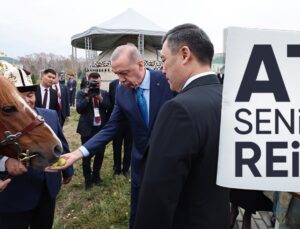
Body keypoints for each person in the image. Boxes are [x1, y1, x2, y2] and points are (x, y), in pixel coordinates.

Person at [49, 44, 174, 228]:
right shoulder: (123, 92)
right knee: (139, 215)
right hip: (141, 165)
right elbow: (111, 127)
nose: (121, 80)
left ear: (140, 65)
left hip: (169, 164)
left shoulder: (167, 81)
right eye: (117, 74)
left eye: (124, 73)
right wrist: (77, 154)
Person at [133, 23, 230, 229]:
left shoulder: (179, 109)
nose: (162, 68)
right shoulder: (228, 99)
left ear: (185, 54)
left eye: (164, 59)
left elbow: (158, 197)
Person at [0, 67, 74, 229]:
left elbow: (61, 143)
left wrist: (68, 170)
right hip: (14, 196)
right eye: (19, 95)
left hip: (46, 191)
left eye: (30, 94)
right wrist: (4, 161)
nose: (27, 100)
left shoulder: (49, 115)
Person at [76, 72, 111, 190]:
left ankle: (96, 177)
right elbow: (79, 109)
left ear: (100, 81)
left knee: (100, 154)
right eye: (93, 82)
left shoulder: (105, 93)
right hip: (87, 128)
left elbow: (109, 107)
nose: (96, 84)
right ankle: (88, 180)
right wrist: (88, 97)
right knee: (86, 155)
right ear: (88, 81)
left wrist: (100, 98)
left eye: (98, 82)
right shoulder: (81, 93)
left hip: (101, 128)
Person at [109, 79, 132, 177]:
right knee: (116, 146)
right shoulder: (113, 84)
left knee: (129, 146)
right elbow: (111, 102)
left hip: (130, 122)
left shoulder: (131, 83)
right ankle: (117, 167)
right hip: (117, 122)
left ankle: (126, 168)